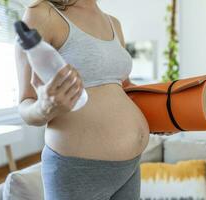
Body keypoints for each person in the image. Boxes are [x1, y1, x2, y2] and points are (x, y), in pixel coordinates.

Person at [15, 0, 150, 199]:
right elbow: (25, 104)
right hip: (77, 170)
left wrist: (165, 111)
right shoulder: (42, 14)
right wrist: (44, 107)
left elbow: (125, 89)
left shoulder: (114, 23)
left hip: (130, 167)